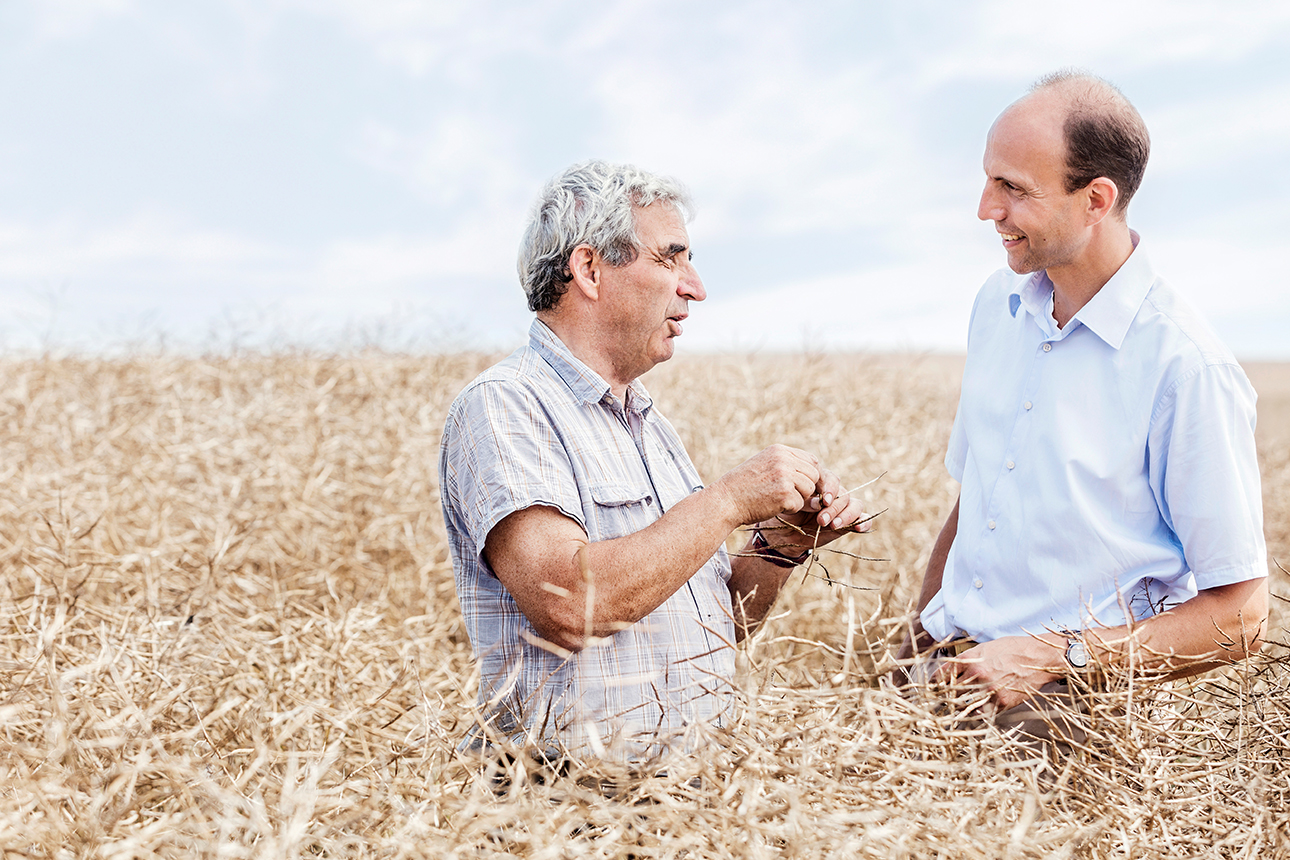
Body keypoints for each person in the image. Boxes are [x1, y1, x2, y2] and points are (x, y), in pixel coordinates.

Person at [439, 160, 866, 760]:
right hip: (569, 812)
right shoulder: (506, 405)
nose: (694, 286)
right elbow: (570, 604)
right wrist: (729, 500)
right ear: (589, 269)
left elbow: (717, 628)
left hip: (686, 805)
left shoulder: (648, 424)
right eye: (669, 258)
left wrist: (779, 544)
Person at [898, 71, 1269, 723]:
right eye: (989, 179)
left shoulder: (1186, 365)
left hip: (1083, 710)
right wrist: (914, 647)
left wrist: (1051, 657)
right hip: (954, 675)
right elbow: (980, 496)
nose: (986, 209)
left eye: (1013, 188)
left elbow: (1240, 619)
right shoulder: (998, 304)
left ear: (1097, 199)